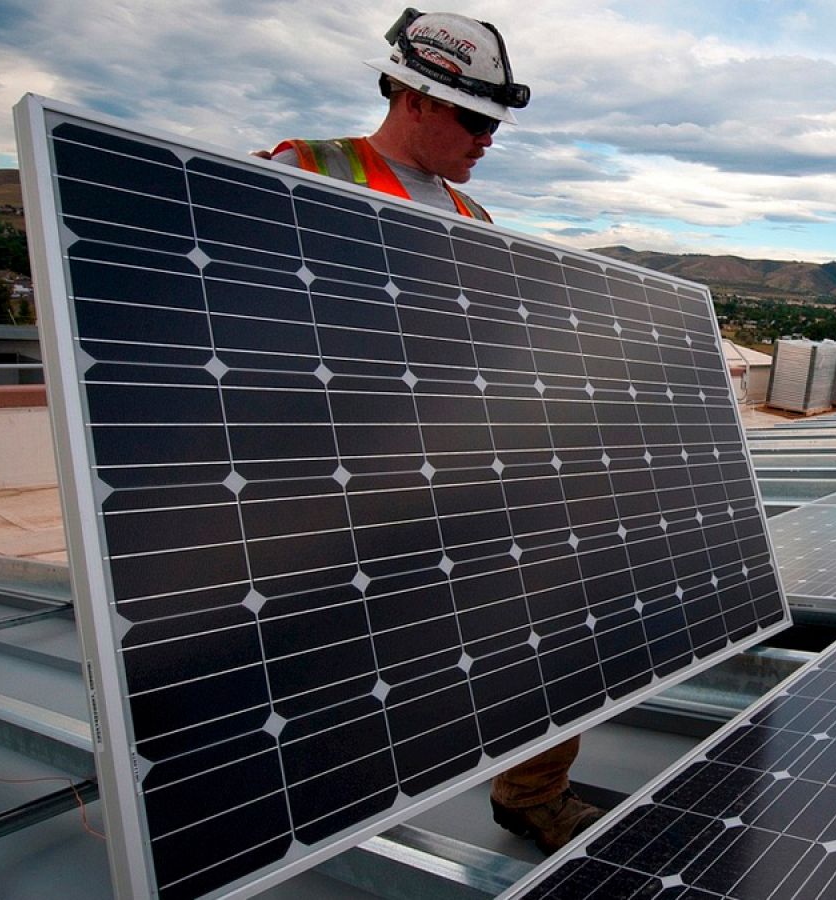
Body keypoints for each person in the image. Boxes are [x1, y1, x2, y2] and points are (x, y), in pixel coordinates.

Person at [267, 9, 601, 855]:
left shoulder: (473, 217)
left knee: (553, 610)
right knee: (337, 665)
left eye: (496, 122)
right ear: (414, 97)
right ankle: (289, 814)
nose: (489, 138)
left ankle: (532, 791)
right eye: (475, 118)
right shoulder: (301, 170)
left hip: (445, 468)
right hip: (331, 478)